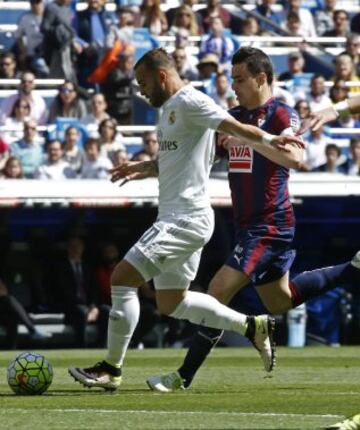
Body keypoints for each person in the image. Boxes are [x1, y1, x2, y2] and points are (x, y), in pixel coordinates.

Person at [68, 47, 304, 390]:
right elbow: (184, 159)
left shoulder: (192, 101)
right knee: (172, 302)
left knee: (122, 277)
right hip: (181, 218)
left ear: (162, 76)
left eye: (144, 83)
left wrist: (271, 137)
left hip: (184, 219)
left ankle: (111, 369)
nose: (141, 90)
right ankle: (252, 326)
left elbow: (235, 126)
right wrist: (146, 167)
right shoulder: (169, 111)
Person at [141, 47, 360, 393]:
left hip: (270, 224)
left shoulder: (280, 114)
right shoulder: (233, 115)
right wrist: (149, 166)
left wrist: (248, 139)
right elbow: (193, 153)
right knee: (280, 300)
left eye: (240, 79)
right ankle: (353, 268)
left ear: (261, 78)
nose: (233, 86)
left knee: (217, 292)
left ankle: (182, 375)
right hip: (247, 225)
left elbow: (295, 158)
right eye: (231, 79)